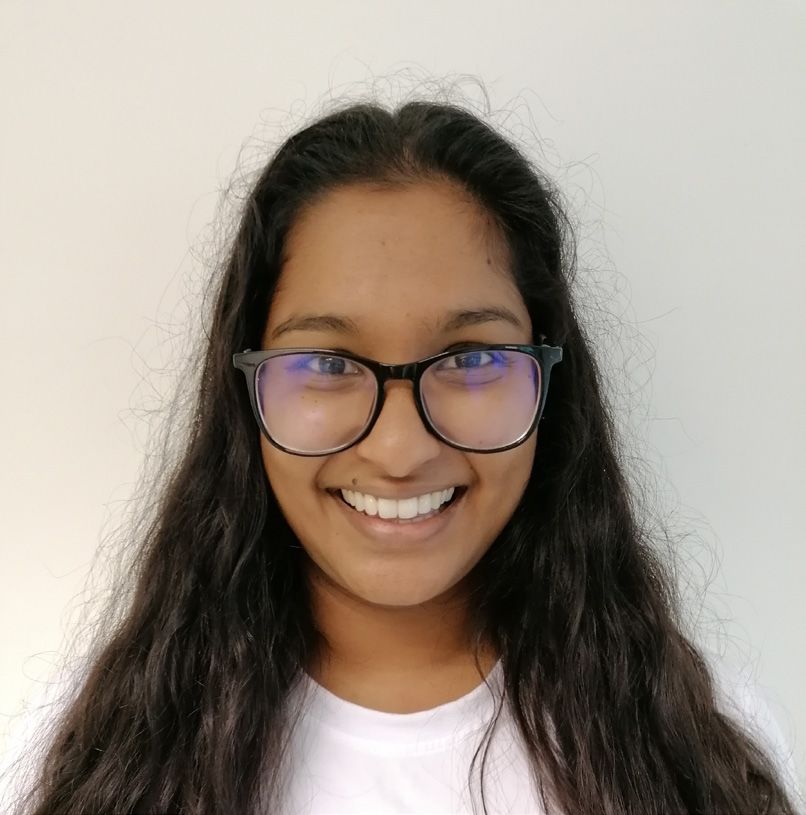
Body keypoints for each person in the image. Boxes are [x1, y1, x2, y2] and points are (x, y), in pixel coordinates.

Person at [6, 98, 802, 815]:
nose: (398, 449)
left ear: (550, 381)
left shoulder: (697, 748)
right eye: (327, 363)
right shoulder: (87, 754)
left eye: (471, 358)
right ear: (243, 393)